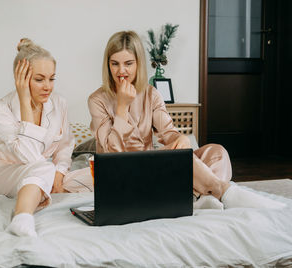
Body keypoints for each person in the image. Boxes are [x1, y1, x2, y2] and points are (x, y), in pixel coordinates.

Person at [88, 31, 286, 210]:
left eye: (128, 63)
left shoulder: (151, 94)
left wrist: (179, 140)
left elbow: (169, 133)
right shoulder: (97, 100)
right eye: (115, 63)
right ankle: (221, 190)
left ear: (138, 63)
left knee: (217, 152)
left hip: (153, 165)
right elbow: (111, 151)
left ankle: (200, 196)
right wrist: (121, 107)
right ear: (108, 64)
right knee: (186, 160)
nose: (121, 70)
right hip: (126, 172)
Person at [0, 38, 74, 237]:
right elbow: (30, 156)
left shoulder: (59, 103)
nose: (48, 86)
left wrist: (60, 172)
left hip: (41, 170)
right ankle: (22, 218)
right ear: (20, 78)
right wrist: (24, 100)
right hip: (1, 172)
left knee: (92, 178)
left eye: (51, 78)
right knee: (43, 167)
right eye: (39, 79)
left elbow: (65, 145)